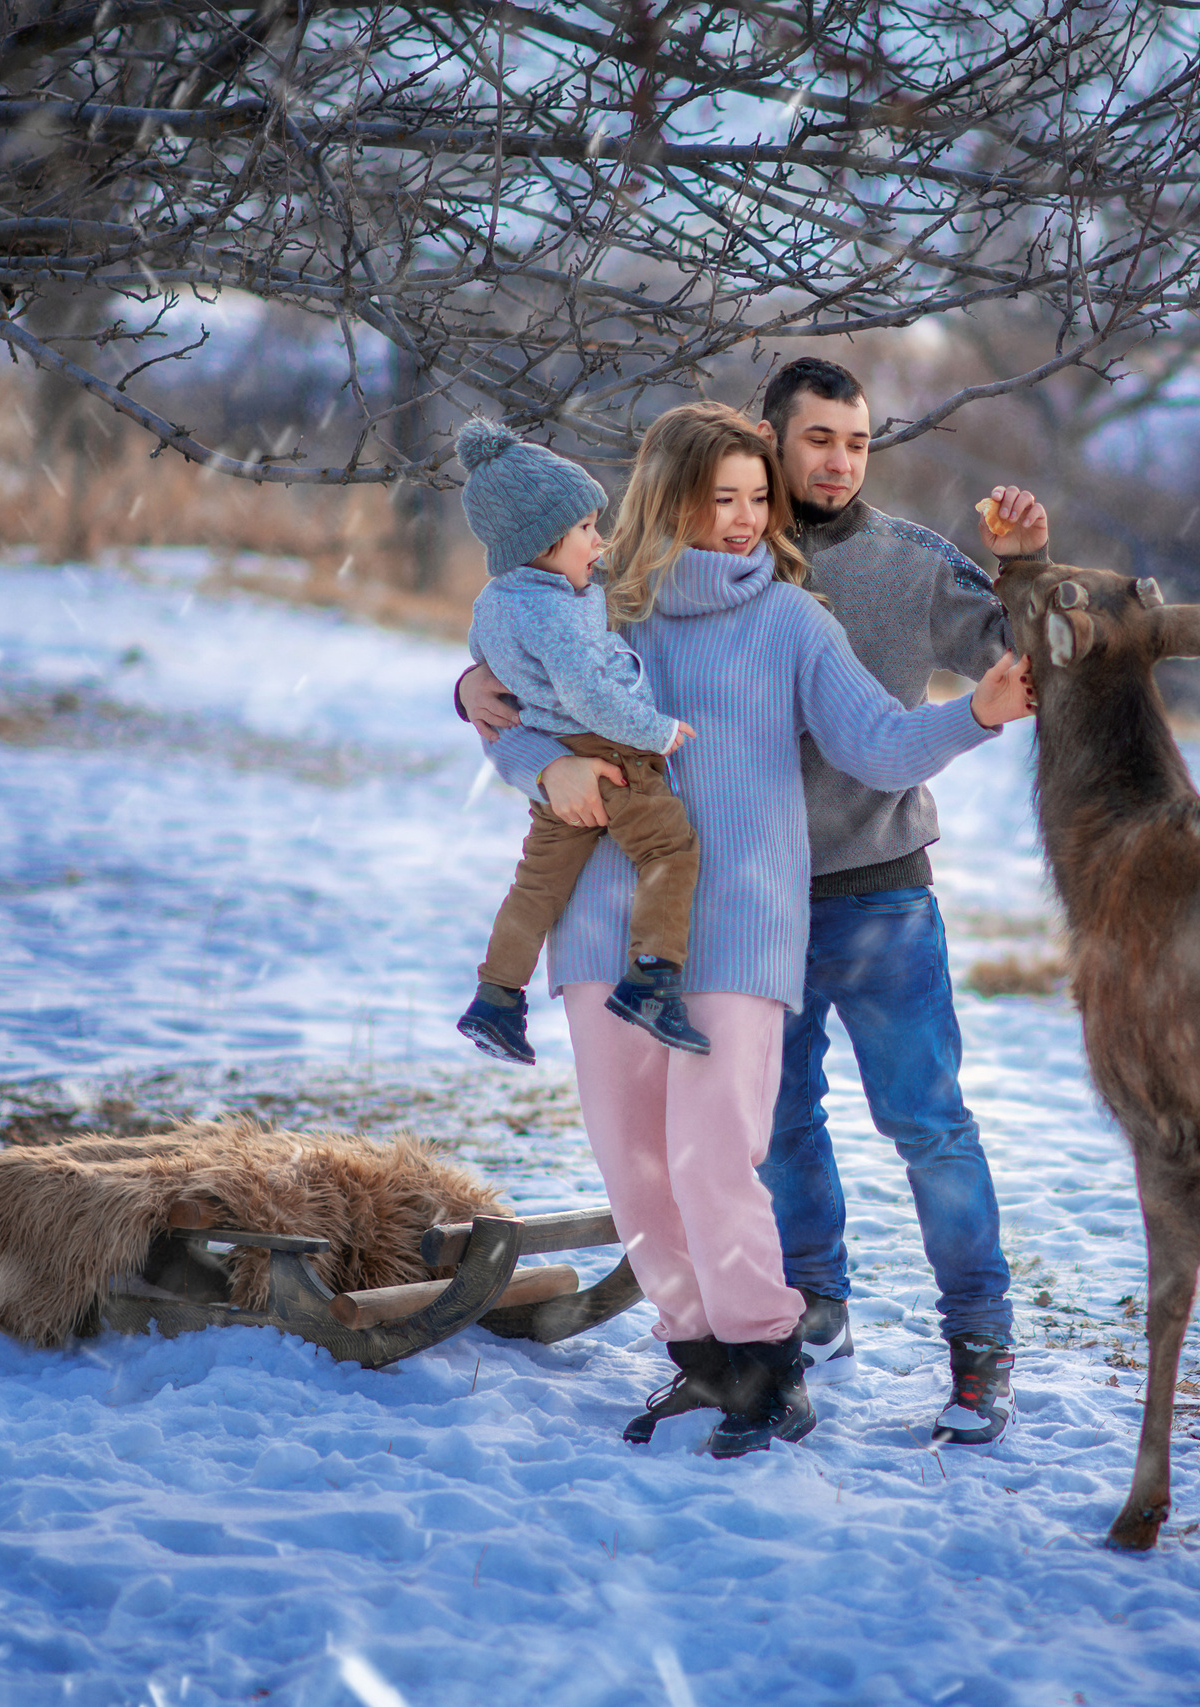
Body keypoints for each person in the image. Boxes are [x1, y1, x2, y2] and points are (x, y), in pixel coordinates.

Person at [457, 357, 1052, 1448]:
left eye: (751, 501)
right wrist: (538, 765)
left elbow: (877, 743)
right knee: (632, 1165)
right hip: (603, 926)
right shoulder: (603, 613)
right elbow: (512, 714)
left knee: (713, 1159)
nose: (738, 521)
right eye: (715, 500)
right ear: (666, 502)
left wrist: (977, 712)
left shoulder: (789, 621)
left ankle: (771, 1360)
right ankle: (700, 1360)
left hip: (741, 927)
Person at [449, 420, 708, 1067]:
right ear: (543, 542)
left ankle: (497, 997)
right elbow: (591, 694)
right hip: (613, 751)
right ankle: (651, 976)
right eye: (587, 530)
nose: (599, 541)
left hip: (553, 747)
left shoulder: (496, 602)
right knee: (668, 850)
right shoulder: (558, 611)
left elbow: (494, 670)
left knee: (538, 887)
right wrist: (659, 731)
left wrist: (471, 685)